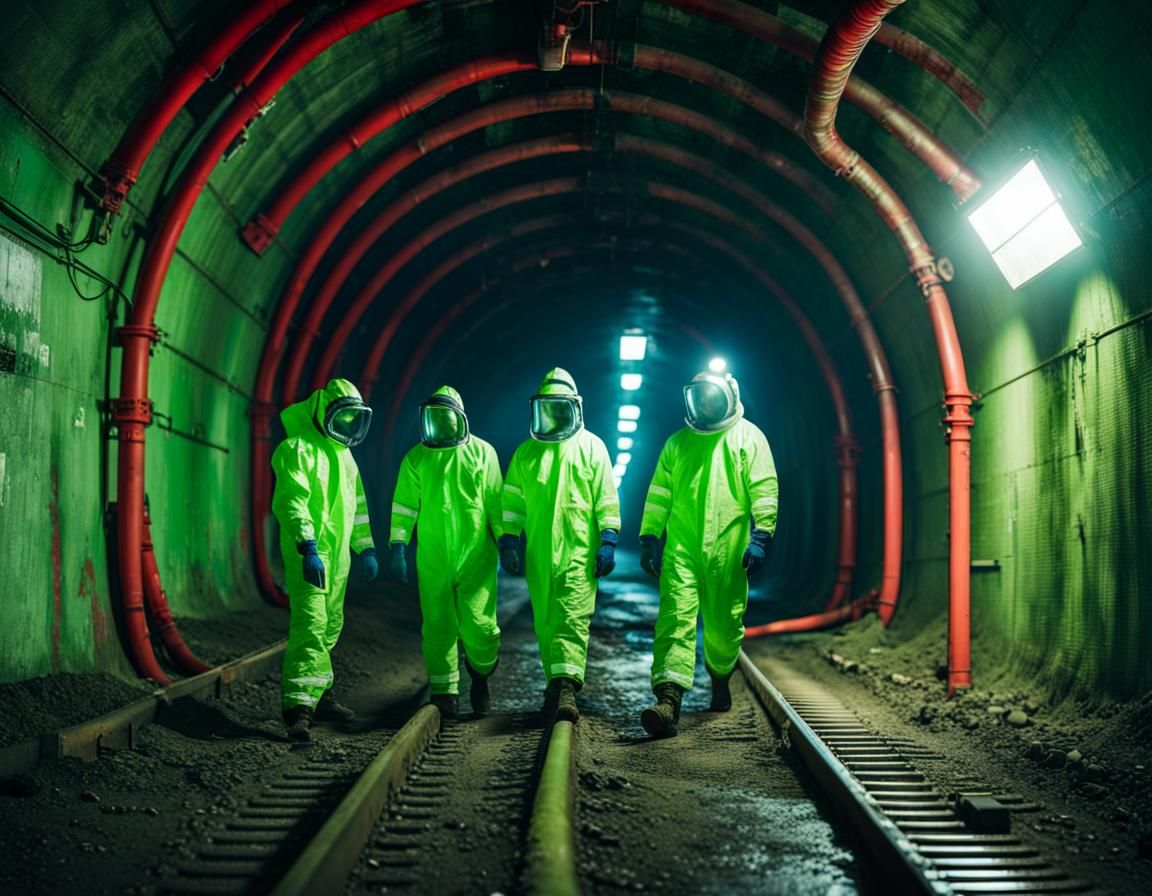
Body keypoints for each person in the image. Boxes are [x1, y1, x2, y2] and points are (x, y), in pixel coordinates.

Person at [638, 371, 778, 738]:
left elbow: (763, 488)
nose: (705, 403)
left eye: (712, 397)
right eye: (700, 397)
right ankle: (668, 700)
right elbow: (659, 494)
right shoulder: (677, 444)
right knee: (674, 619)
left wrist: (762, 534)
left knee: (724, 625)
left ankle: (720, 681)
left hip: (728, 552)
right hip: (681, 549)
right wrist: (650, 535)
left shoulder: (749, 438)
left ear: (728, 397)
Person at [499, 368, 620, 722]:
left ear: (574, 408)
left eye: (559, 407)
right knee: (546, 622)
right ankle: (555, 682)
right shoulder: (526, 453)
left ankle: (567, 688)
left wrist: (608, 538)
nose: (553, 413)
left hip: (580, 551)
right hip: (539, 553)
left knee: (572, 617)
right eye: (547, 407)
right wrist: (508, 540)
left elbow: (606, 499)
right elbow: (512, 503)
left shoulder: (592, 447)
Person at [271, 378, 378, 741]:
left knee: (331, 625)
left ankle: (321, 695)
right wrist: (307, 546)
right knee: (311, 624)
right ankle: (298, 708)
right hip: (311, 554)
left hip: (338, 558)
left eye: (354, 418)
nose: (347, 425)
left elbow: (358, 507)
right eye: (343, 416)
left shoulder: (345, 457)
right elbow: (292, 501)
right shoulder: (296, 449)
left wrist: (365, 547)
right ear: (323, 413)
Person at [389, 386, 503, 719]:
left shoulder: (483, 454)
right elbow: (404, 507)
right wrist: (398, 546)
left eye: (445, 417)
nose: (439, 423)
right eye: (433, 418)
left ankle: (480, 674)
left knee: (480, 627)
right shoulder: (416, 458)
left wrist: (507, 540)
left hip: (477, 557)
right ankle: (444, 693)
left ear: (459, 418)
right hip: (434, 558)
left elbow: (496, 503)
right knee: (437, 625)